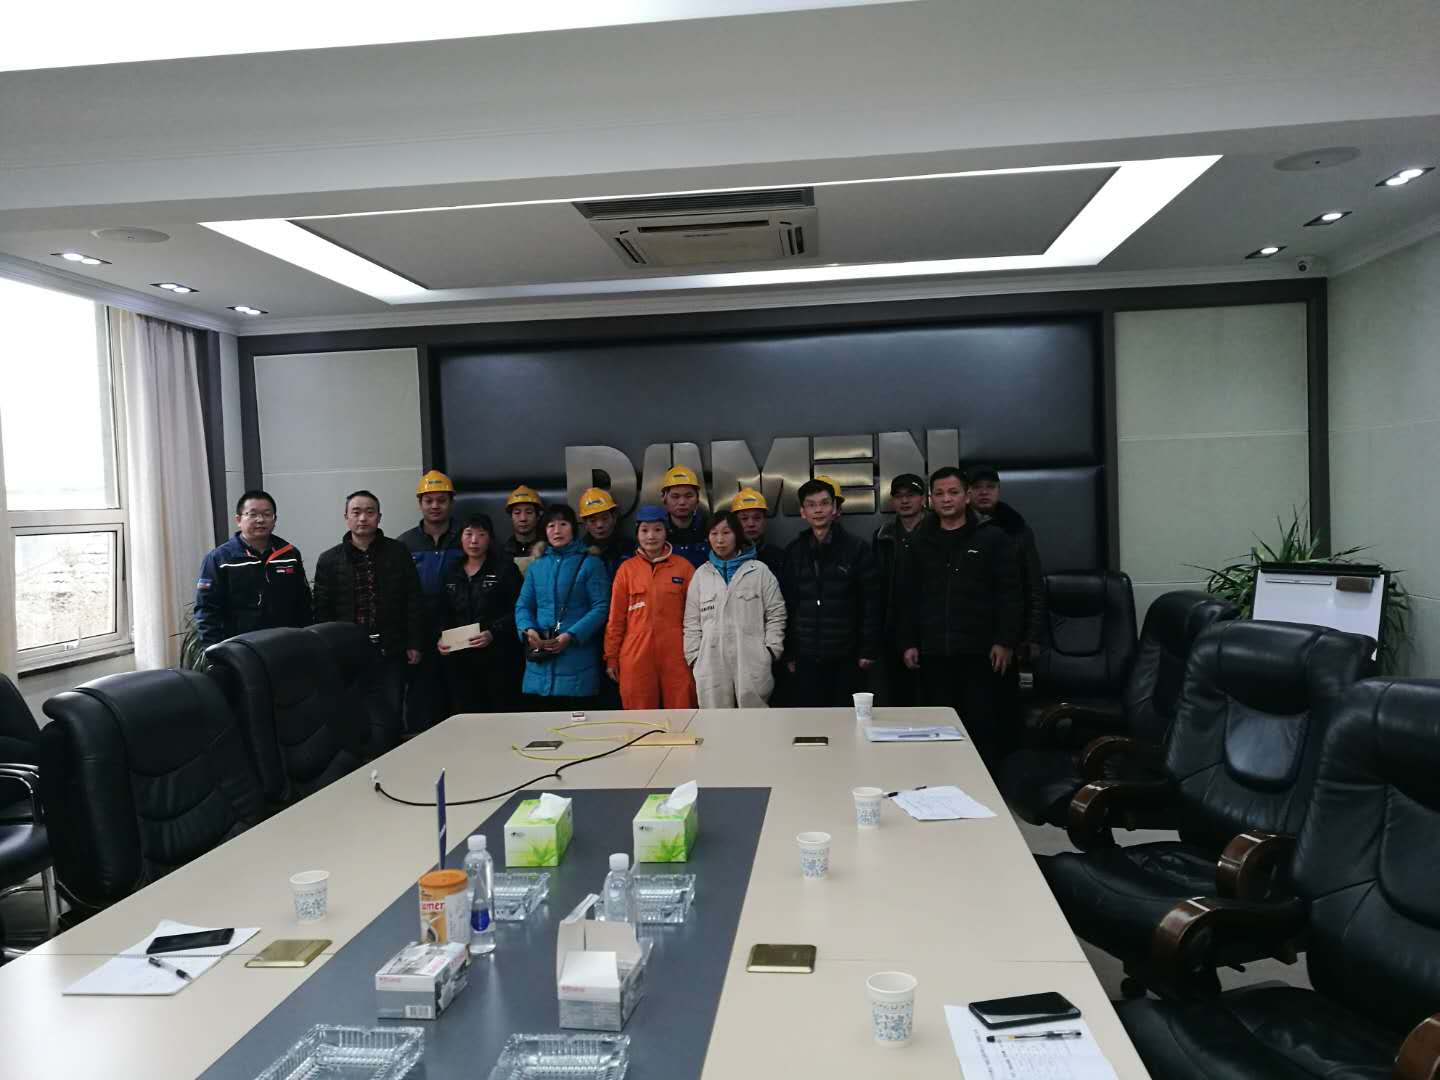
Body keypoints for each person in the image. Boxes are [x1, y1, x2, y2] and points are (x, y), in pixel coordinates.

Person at [896, 467, 1022, 767]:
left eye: (953, 492)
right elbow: (906, 597)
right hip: (934, 653)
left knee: (983, 727)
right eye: (939, 493)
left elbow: (1010, 593)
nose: (946, 499)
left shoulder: (993, 538)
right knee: (938, 729)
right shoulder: (919, 542)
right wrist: (908, 641)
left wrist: (1005, 640)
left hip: (981, 653)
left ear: (967, 496)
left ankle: (987, 785)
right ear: (931, 499)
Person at [312, 490, 425, 728]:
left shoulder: (398, 552)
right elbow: (322, 611)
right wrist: (327, 649)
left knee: (392, 712)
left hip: (392, 648)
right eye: (356, 512)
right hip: (347, 650)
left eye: (369, 512)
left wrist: (414, 643)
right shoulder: (329, 560)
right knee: (352, 714)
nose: (363, 518)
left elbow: (413, 600)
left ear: (379, 517)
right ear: (346, 517)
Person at [780, 478, 882, 707]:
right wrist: (790, 653)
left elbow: (871, 603)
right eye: (811, 505)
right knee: (810, 719)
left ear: (835, 508)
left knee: (846, 719)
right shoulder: (794, 552)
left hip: (848, 656)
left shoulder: (857, 549)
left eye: (824, 503)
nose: (818, 510)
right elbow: (788, 605)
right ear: (803, 512)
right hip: (806, 656)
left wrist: (868, 650)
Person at [685, 510, 787, 708]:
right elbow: (691, 622)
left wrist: (771, 649)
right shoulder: (701, 575)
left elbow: (776, 613)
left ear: (737, 535)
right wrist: (695, 656)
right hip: (710, 662)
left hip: (752, 660)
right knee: (716, 720)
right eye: (714, 533)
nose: (720, 540)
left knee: (754, 718)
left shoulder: (759, 571)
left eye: (726, 533)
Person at [515, 504, 610, 710]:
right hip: (539, 664)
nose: (557, 530)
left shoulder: (591, 563)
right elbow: (523, 605)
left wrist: (571, 635)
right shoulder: (537, 566)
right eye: (551, 525)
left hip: (578, 663)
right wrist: (528, 631)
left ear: (573, 528)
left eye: (563, 524)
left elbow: (601, 607)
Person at [602, 505, 696, 710]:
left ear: (666, 532)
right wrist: (611, 657)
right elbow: (616, 619)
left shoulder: (684, 567)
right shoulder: (627, 570)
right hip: (636, 653)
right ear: (637, 533)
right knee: (639, 715)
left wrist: (697, 652)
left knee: (683, 709)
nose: (651, 536)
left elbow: (696, 617)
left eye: (657, 529)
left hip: (678, 652)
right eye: (644, 530)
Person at [194, 490, 311, 647]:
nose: (260, 520)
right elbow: (206, 610)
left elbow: (303, 602)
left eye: (267, 514)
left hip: (285, 644)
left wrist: (305, 641)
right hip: (239, 647)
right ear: (238, 520)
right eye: (252, 514)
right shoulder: (220, 559)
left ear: (275, 520)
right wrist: (214, 651)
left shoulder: (289, 554)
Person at [437, 513, 524, 713]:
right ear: (461, 537)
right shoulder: (451, 572)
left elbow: (518, 610)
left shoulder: (505, 569)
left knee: (500, 712)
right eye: (468, 534)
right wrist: (440, 637)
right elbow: (441, 611)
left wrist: (493, 632)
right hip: (459, 659)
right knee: (465, 714)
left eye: (481, 534)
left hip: (498, 656)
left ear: (490, 538)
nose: (474, 540)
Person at [398, 470, 464, 732]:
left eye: (441, 500)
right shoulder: (405, 543)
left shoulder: (467, 536)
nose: (435, 506)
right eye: (429, 500)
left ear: (451, 503)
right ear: (420, 503)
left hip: (459, 630)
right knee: (423, 703)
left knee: (460, 698)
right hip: (420, 634)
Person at [964, 464, 1046, 655]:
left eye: (990, 487)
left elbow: (1033, 585)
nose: (984, 492)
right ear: (967, 492)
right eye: (977, 487)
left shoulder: (1017, 528)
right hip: (965, 635)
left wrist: (1032, 637)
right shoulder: (954, 528)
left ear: (999, 490)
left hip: (1010, 633)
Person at [873, 473, 930, 706]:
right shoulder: (882, 535)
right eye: (899, 496)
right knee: (898, 698)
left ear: (923, 498)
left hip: (931, 627)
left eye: (911, 495)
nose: (905, 501)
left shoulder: (938, 530)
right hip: (893, 626)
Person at [579, 487, 636, 581]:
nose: (600, 525)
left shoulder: (629, 548)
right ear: (585, 524)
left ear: (614, 518)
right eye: (592, 521)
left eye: (605, 518)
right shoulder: (579, 551)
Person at [661, 464, 709, 567]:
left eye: (689, 496)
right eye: (675, 496)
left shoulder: (710, 528)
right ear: (664, 498)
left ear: (698, 498)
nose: (682, 502)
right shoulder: (657, 530)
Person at [731, 487, 785, 578]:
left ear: (765, 521)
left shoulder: (778, 557)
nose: (751, 524)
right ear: (734, 522)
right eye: (744, 518)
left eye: (757, 518)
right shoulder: (727, 556)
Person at [503, 485, 544, 559]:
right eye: (517, 513)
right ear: (511, 517)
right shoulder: (501, 552)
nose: (523, 518)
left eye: (529, 512)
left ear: (538, 516)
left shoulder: (548, 550)